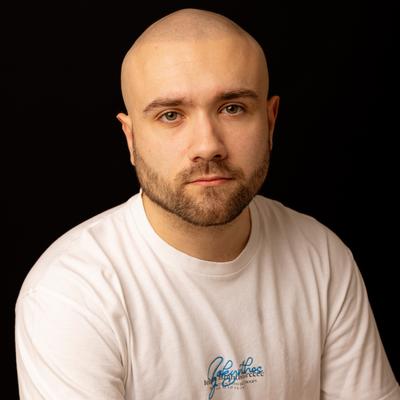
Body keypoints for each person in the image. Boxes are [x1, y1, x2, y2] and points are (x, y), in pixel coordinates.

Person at [15, 8, 399, 400]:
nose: (207, 145)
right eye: (170, 115)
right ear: (131, 139)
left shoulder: (322, 257)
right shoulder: (70, 293)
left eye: (232, 108)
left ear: (270, 122)